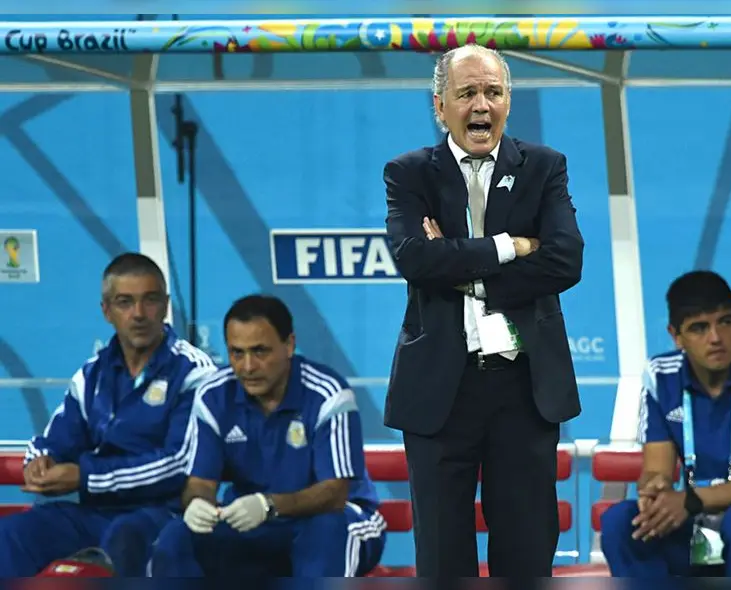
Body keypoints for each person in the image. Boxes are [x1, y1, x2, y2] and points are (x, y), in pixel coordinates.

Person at [382, 44, 584, 577]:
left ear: (508, 102)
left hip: (523, 388)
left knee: (525, 554)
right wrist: (509, 247)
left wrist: (458, 268)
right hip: (440, 394)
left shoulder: (544, 167)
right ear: (439, 105)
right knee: (444, 561)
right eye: (467, 92)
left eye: (492, 92)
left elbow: (566, 261)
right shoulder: (409, 175)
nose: (481, 105)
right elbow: (414, 258)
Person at [0, 252, 217, 576]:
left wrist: (85, 476)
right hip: (93, 512)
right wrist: (40, 461)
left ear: (166, 305)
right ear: (107, 311)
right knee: (13, 535)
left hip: (161, 513)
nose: (139, 314)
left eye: (150, 300)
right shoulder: (92, 374)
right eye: (125, 302)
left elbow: (178, 463)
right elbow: (53, 440)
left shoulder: (194, 372)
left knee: (126, 537)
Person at [149, 294, 386, 578]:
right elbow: (201, 482)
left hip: (338, 519)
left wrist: (268, 505)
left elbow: (334, 494)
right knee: (177, 537)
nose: (247, 366)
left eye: (260, 351)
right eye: (237, 353)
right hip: (255, 525)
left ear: (289, 345)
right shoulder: (213, 394)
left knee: (327, 532)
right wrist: (198, 503)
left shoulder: (327, 393)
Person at [600, 271, 731, 578]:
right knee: (621, 522)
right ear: (676, 335)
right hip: (698, 515)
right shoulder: (661, 374)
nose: (715, 338)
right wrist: (655, 487)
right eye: (699, 328)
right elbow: (657, 467)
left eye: (725, 322)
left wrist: (690, 501)